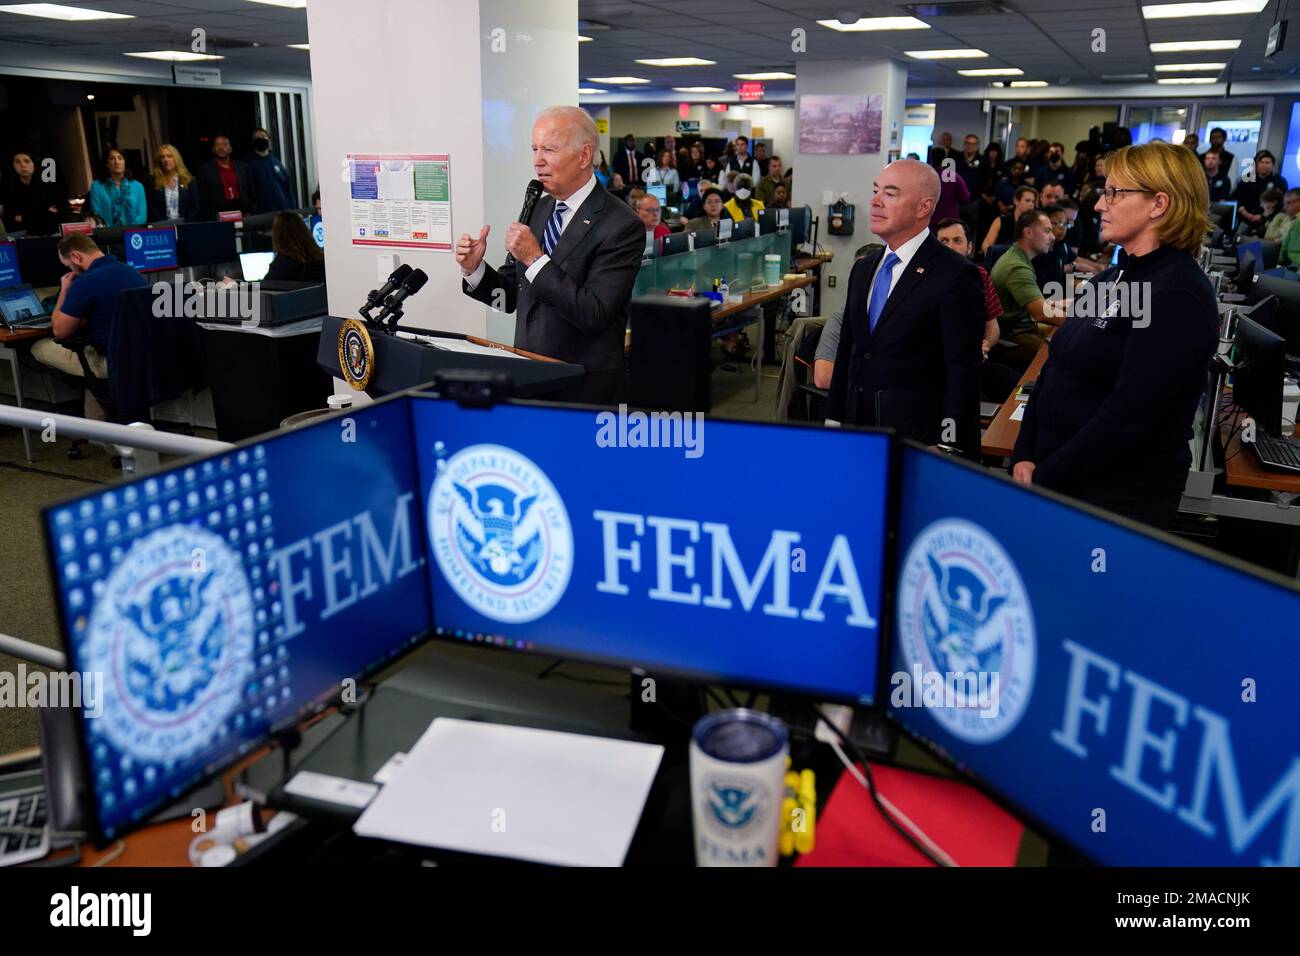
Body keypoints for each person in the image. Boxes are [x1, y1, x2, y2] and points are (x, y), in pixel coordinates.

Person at [1011, 142, 1218, 529]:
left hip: (1110, 501)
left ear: (1159, 204)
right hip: (1055, 482)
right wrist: (1024, 453)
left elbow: (1129, 416)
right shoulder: (1114, 276)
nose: (1099, 205)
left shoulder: (1177, 293)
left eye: (1114, 193)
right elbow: (1053, 366)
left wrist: (1044, 475)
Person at [457, 106, 643, 405]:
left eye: (549, 149)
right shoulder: (539, 207)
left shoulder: (621, 224)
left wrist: (535, 259)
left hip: (584, 388)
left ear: (584, 156)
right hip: (529, 379)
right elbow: (509, 298)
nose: (537, 161)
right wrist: (475, 270)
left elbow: (593, 314)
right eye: (534, 149)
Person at [824, 159, 984, 458]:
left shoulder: (956, 274)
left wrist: (948, 442)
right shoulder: (864, 268)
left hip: (918, 439)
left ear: (923, 207)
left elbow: (963, 369)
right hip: (859, 432)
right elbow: (849, 351)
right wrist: (833, 419)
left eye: (890, 194)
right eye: (876, 191)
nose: (875, 201)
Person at [29, 234, 147, 419]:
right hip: (143, 356)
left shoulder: (85, 281)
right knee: (89, 356)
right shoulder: (130, 271)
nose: (70, 270)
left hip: (115, 362)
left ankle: (96, 425)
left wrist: (65, 290)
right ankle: (98, 427)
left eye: (68, 265)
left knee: (38, 347)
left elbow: (60, 330)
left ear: (76, 257)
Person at [989, 208, 1063, 371]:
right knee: (1061, 354)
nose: (1052, 237)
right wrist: (1081, 322)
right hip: (1012, 337)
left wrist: (1066, 304)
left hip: (1021, 328)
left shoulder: (1017, 256)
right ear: (1028, 233)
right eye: (1047, 231)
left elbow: (1037, 304)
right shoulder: (1017, 267)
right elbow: (1041, 313)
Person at [1, 148, 63, 235]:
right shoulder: (9, 190)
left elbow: (55, 215)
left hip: (49, 233)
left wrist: (24, 217)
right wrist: (43, 212)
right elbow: (10, 218)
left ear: (34, 163)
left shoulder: (49, 186)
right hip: (22, 236)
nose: (23, 165)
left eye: (26, 161)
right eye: (17, 162)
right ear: (12, 165)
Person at [196, 135, 258, 219]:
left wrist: (252, 211)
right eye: (217, 145)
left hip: (244, 215)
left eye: (224, 144)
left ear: (230, 149)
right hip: (218, 218)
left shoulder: (243, 167)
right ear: (213, 149)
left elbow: (252, 193)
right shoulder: (204, 170)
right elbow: (203, 199)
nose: (221, 147)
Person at [88, 147, 146, 227]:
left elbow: (142, 216)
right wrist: (112, 232)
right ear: (107, 164)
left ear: (125, 162)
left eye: (120, 158)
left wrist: (129, 232)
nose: (117, 162)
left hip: (134, 234)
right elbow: (97, 214)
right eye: (112, 158)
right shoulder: (97, 186)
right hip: (108, 234)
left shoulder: (138, 186)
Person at [1233, 150, 1288, 233]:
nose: (1264, 165)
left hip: (1268, 222)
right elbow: (1236, 196)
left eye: (1267, 162)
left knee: (1257, 245)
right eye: (1261, 162)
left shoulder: (1279, 181)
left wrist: (1263, 216)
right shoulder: (1248, 177)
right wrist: (1244, 212)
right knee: (1239, 244)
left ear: (1272, 165)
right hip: (1244, 218)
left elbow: (1282, 204)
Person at [246, 127, 298, 213]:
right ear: (252, 142)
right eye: (257, 137)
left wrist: (293, 208)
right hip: (263, 215)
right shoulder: (248, 164)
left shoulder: (277, 162)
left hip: (284, 211)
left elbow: (287, 187)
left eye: (263, 136)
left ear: (269, 140)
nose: (260, 138)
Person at [263, 211, 326, 282]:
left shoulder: (283, 263)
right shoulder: (318, 256)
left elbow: (264, 288)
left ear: (278, 235)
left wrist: (248, 290)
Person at [146, 143, 200, 222]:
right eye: (162, 157)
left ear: (176, 159)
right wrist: (163, 224)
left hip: (186, 226)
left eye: (169, 156)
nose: (166, 159)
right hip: (162, 227)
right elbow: (152, 206)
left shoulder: (189, 180)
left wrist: (185, 224)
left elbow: (195, 206)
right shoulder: (153, 181)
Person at [981, 185, 1037, 256]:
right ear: (1016, 201)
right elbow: (985, 246)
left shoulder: (1035, 225)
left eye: (1033, 202)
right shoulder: (1000, 221)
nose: (1031, 204)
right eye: (1027, 200)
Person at [929, 147, 970, 224]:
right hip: (949, 222)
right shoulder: (953, 177)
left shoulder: (922, 176)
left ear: (931, 158)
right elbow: (966, 198)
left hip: (926, 221)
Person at [634, 191, 670, 255]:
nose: (655, 214)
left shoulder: (664, 232)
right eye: (650, 210)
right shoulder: (631, 235)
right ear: (638, 212)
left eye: (658, 209)